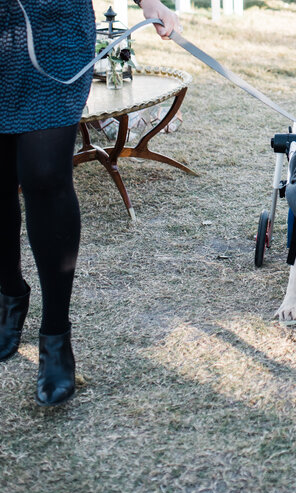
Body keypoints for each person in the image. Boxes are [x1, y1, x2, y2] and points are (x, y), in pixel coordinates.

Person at [0, 0, 179, 406]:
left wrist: (150, 2)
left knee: (45, 175)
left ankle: (55, 336)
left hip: (54, 34)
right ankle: (10, 293)